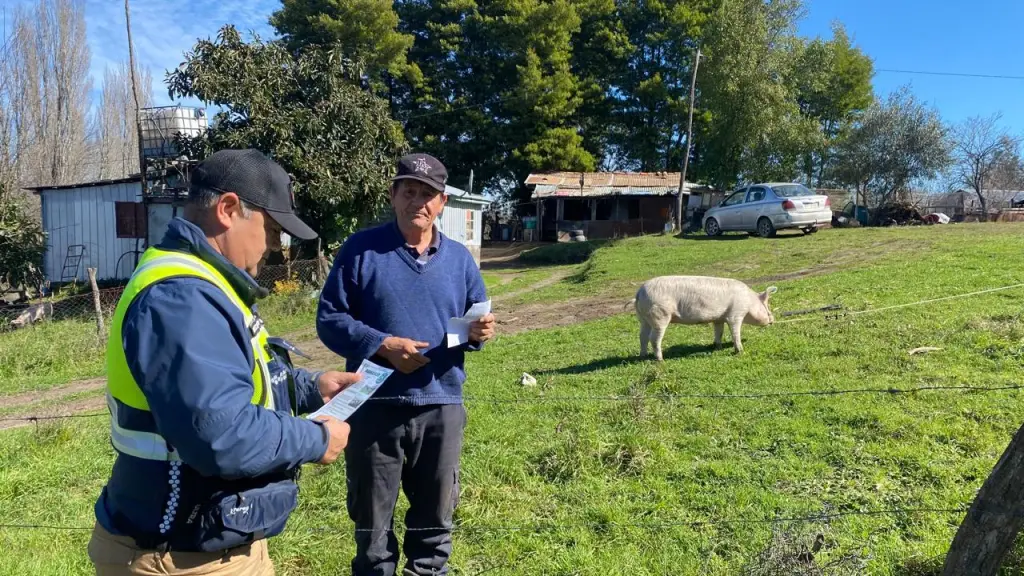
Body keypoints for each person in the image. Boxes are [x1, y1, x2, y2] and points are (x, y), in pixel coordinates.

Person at [88, 149, 357, 575]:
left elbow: (239, 378)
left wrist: (312, 387)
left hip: (205, 540)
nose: (274, 246)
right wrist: (317, 439)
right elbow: (222, 434)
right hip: (180, 555)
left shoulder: (207, 283)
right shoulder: (183, 298)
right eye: (271, 229)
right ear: (229, 209)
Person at [317, 153, 496, 576]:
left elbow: (469, 321)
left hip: (441, 406)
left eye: (428, 194)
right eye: (409, 190)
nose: (419, 201)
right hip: (374, 407)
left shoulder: (459, 260)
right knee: (372, 528)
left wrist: (476, 334)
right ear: (394, 195)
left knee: (435, 523)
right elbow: (330, 320)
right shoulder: (362, 250)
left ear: (443, 202)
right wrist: (382, 344)